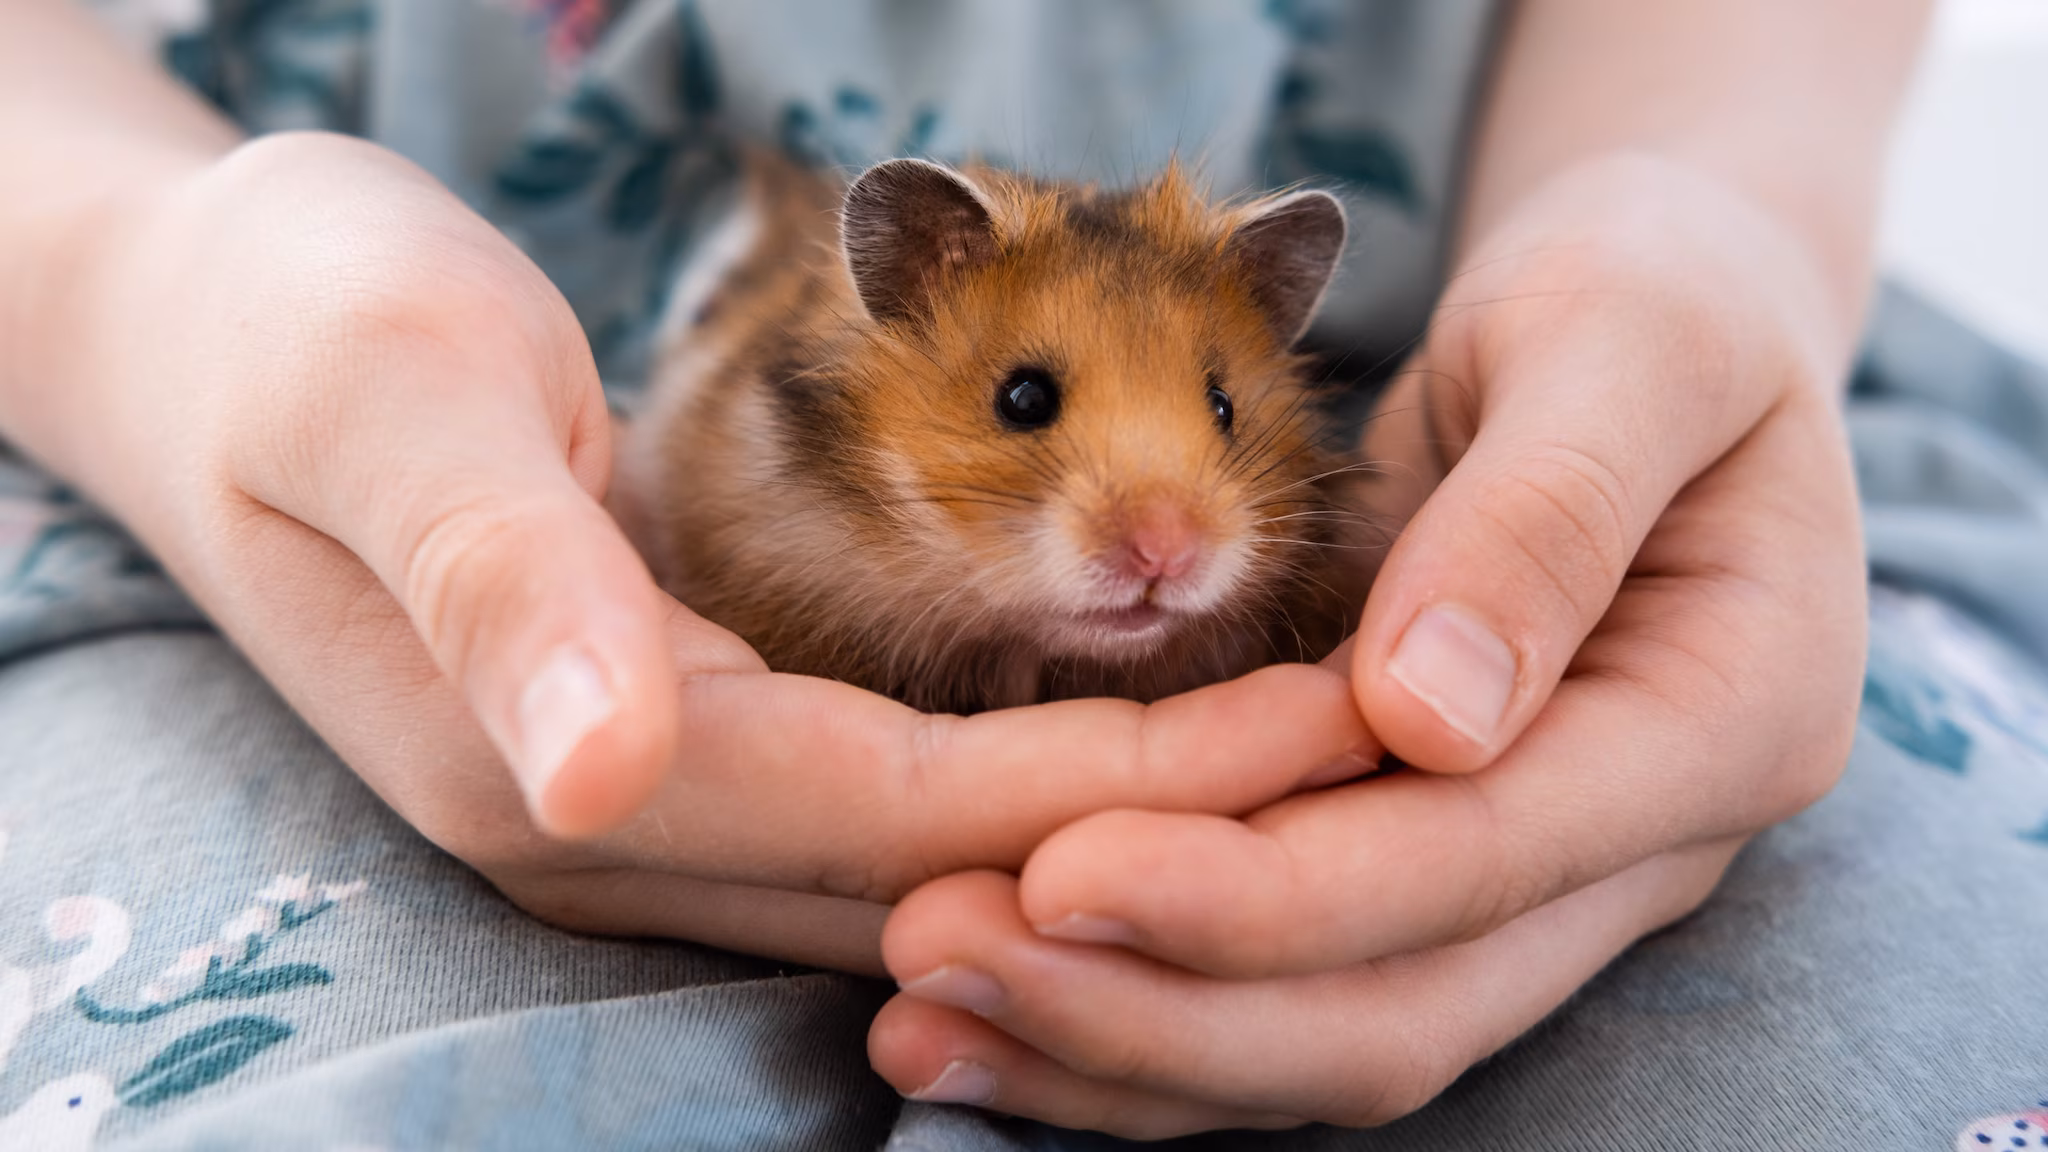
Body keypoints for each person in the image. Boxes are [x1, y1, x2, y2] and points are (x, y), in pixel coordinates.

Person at [7, 1, 2044, 1148]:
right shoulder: (781, 408)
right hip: (248, 449)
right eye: (1036, 402)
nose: (1159, 532)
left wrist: (1706, 210)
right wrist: (130, 274)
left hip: (1567, 373)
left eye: (1212, 431)